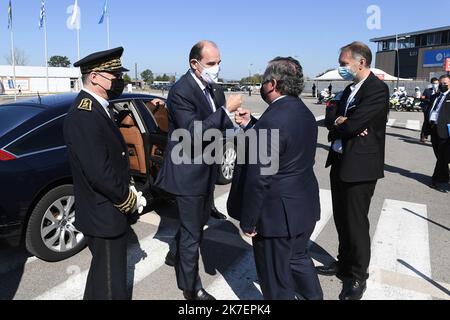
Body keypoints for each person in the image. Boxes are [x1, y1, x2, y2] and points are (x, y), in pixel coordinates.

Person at [227, 57, 323, 300]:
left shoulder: (273, 120)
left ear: (272, 83)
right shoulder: (303, 112)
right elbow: (284, 145)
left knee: (275, 280)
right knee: (299, 261)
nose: (261, 85)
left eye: (263, 80)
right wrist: (252, 125)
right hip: (303, 209)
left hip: (276, 217)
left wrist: (248, 221)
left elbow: (260, 178)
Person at [154, 40, 242, 300]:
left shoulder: (214, 90)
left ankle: (175, 255)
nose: (217, 68)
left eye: (219, 62)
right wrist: (226, 112)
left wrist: (236, 121)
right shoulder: (181, 90)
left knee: (195, 224)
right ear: (195, 64)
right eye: (212, 63)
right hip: (188, 173)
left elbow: (219, 128)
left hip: (207, 171)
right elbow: (193, 133)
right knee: (193, 234)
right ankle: (191, 288)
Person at [63, 47, 147, 300]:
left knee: (102, 275)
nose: (119, 80)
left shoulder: (98, 108)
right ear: (96, 76)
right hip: (104, 212)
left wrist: (130, 186)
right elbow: (99, 172)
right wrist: (128, 199)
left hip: (104, 210)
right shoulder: (85, 115)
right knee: (111, 286)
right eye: (114, 75)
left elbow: (113, 158)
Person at [317, 42, 389, 300]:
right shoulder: (348, 89)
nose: (341, 67)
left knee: (356, 222)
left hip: (360, 166)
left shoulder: (376, 90)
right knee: (341, 218)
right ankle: (343, 262)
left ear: (361, 62)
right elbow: (331, 118)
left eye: (344, 63)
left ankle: (358, 276)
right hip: (339, 159)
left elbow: (352, 125)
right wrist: (341, 121)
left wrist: (346, 124)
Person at [422, 75, 450, 192]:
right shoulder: (434, 96)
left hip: (446, 132)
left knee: (442, 157)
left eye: (445, 83)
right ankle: (445, 176)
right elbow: (428, 113)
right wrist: (424, 132)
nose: (442, 85)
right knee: (439, 156)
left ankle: (436, 179)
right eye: (441, 83)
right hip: (434, 129)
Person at [420, 78, 439, 143]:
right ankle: (423, 136)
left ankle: (433, 137)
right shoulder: (427, 90)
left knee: (434, 123)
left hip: (436, 110)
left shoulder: (440, 91)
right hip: (427, 108)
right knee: (426, 121)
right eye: (434, 83)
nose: (435, 85)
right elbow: (422, 98)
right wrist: (428, 100)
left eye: (436, 83)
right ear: (431, 84)